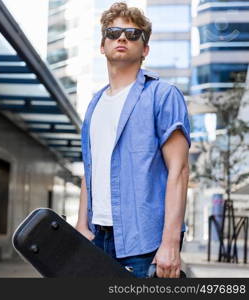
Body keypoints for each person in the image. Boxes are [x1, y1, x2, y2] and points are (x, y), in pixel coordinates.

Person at [75, 2, 191, 278]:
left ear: (145, 49)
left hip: (145, 243)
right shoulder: (94, 105)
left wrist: (170, 243)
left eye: (133, 34)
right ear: (102, 45)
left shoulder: (162, 95)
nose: (122, 38)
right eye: (113, 32)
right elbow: (89, 171)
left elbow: (180, 171)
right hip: (96, 238)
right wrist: (81, 225)